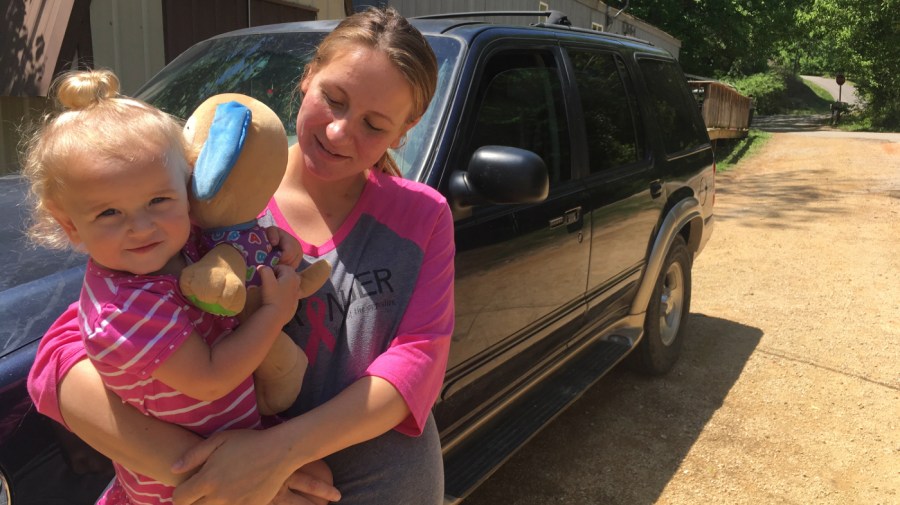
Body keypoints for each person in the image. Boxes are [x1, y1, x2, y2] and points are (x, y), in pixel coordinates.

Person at [27, 6, 455, 505]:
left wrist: (273, 455)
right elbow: (69, 346)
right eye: (333, 98)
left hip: (380, 483)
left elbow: (418, 361)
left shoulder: (423, 215)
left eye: (375, 124)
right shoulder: (210, 194)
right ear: (308, 75)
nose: (340, 132)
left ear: (408, 126)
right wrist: (200, 469)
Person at [22, 69, 330, 505]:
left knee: (322, 479)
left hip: (235, 436)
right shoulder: (124, 307)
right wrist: (273, 313)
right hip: (182, 490)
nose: (141, 227)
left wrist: (275, 243)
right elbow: (209, 379)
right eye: (109, 213)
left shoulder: (177, 246)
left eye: (158, 201)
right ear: (70, 225)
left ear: (187, 189)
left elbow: (236, 246)